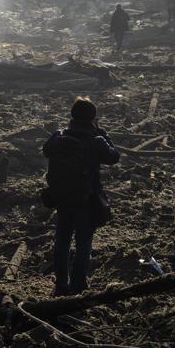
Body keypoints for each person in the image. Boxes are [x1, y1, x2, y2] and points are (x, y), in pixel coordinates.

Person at [42, 98, 120, 296]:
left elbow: (45, 151)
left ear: (72, 117)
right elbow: (114, 157)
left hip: (61, 197)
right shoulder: (96, 140)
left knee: (62, 240)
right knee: (83, 242)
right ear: (93, 119)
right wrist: (103, 133)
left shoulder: (58, 137)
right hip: (86, 199)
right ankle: (78, 285)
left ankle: (60, 284)